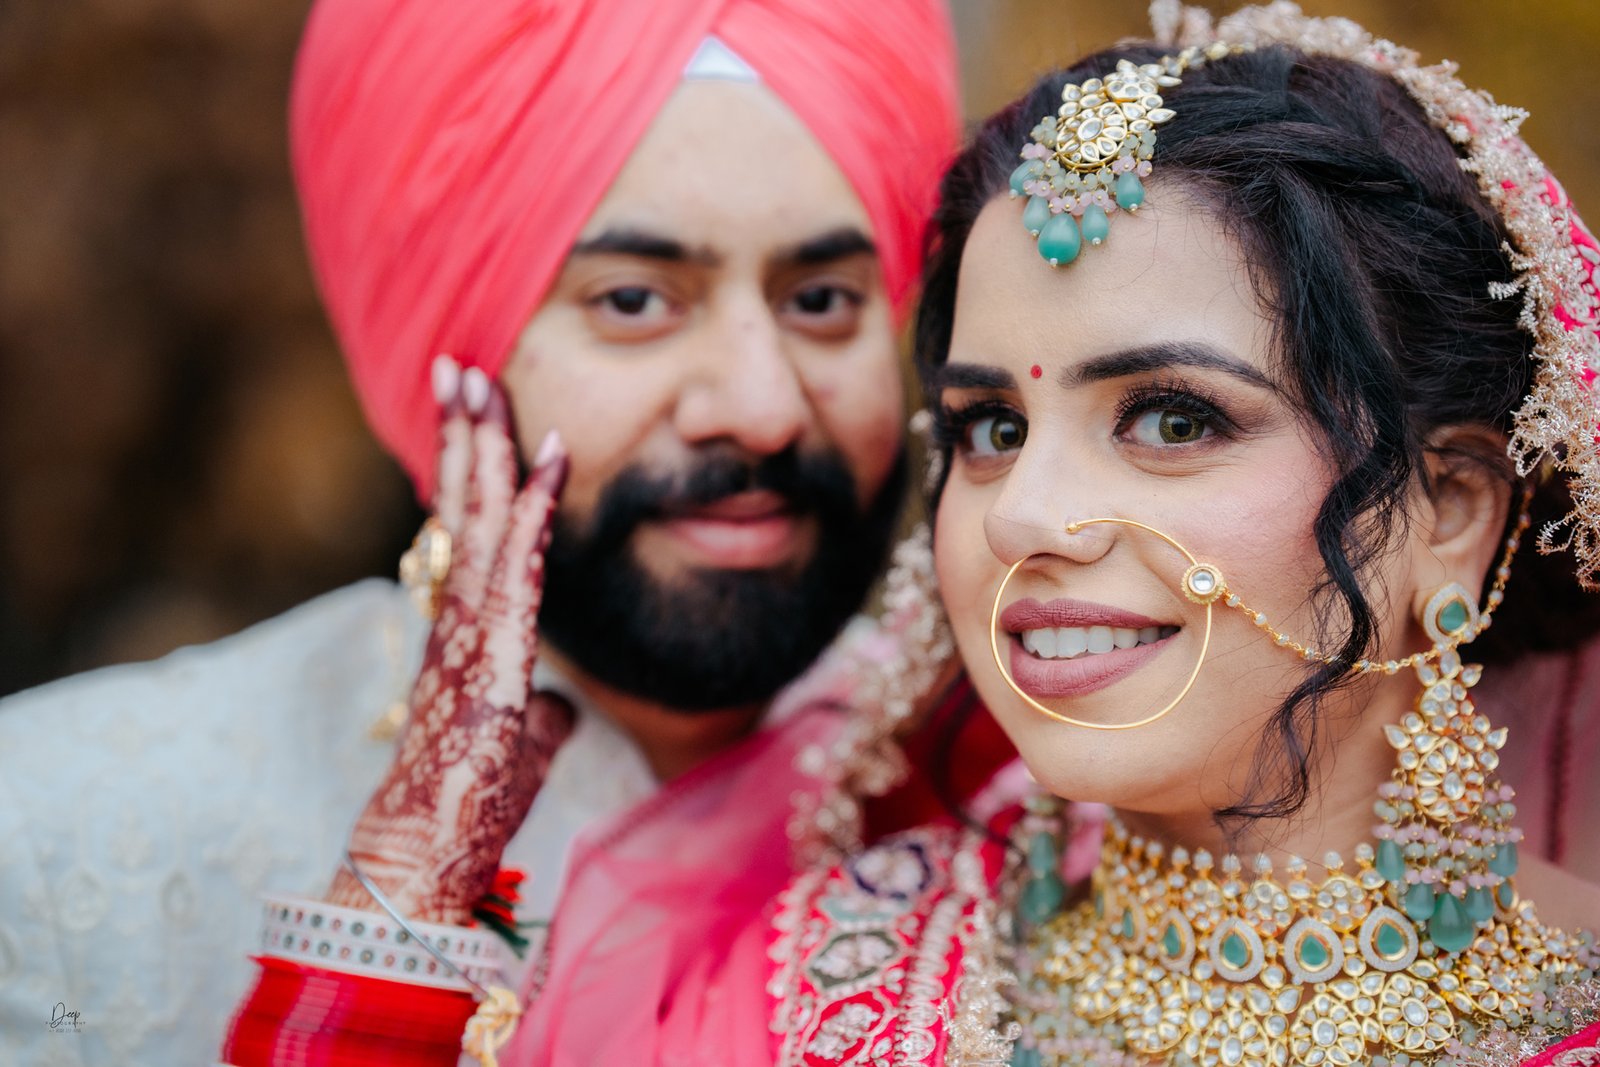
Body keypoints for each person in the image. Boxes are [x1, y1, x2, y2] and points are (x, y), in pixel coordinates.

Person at [1, 1, 1026, 1064]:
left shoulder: (1027, 803)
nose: (762, 405)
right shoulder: (53, 841)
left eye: (821, 298)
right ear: (446, 349)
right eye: (634, 300)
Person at [767, 3, 1600, 1063]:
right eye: (994, 427)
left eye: (1172, 419)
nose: (1021, 512)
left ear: (1449, 509)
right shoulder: (816, 979)